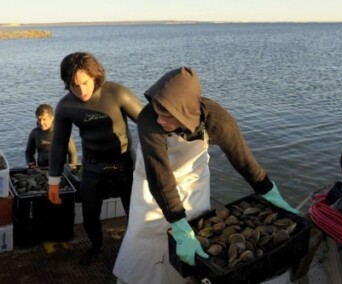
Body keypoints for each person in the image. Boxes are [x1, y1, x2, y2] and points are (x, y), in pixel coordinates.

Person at [113, 67, 298, 284]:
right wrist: (178, 226)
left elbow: (244, 160)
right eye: (158, 112)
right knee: (146, 234)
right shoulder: (148, 119)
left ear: (185, 113)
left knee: (198, 231)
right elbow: (159, 175)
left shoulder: (218, 120)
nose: (160, 120)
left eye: (167, 116)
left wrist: (269, 191)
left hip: (193, 179)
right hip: (152, 183)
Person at [48, 52, 143, 266]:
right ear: (66, 84)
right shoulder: (65, 106)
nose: (81, 91)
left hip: (123, 162)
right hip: (92, 165)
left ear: (95, 76)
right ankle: (96, 246)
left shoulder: (117, 94)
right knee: (90, 214)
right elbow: (59, 144)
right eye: (74, 85)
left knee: (134, 212)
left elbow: (148, 123)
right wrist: (53, 180)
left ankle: (136, 247)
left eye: (85, 83)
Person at [25, 104, 78, 168]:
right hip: (42, 169)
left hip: (60, 170)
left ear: (52, 118)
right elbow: (29, 152)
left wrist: (71, 169)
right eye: (39, 119)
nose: (41, 123)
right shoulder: (35, 133)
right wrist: (32, 164)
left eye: (44, 119)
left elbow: (73, 154)